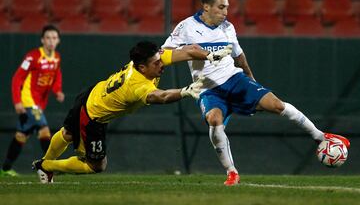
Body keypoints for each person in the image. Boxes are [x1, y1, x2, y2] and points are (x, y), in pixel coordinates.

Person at [162, 0, 351, 186]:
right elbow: (165, 53)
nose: (225, 12)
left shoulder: (228, 27)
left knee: (277, 105)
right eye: (221, 7)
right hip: (208, 89)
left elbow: (239, 55)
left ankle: (320, 136)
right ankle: (232, 172)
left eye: (227, 7)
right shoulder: (186, 27)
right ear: (206, 6)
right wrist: (189, 51)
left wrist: (250, 77)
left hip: (235, 80)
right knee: (214, 120)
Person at [31, 40, 232, 183]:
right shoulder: (137, 85)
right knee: (96, 166)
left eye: (160, 59)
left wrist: (210, 56)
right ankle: (47, 167)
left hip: (92, 92)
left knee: (67, 133)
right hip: (92, 116)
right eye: (156, 63)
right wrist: (185, 91)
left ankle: (43, 165)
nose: (161, 64)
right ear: (143, 67)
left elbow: (188, 51)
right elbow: (160, 97)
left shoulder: (148, 62)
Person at [0, 25, 65, 177]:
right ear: (42, 40)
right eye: (48, 38)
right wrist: (17, 101)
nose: (51, 41)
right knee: (44, 131)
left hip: (39, 104)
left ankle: (5, 168)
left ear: (58, 41)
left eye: (54, 38)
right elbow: (17, 78)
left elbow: (56, 75)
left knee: (21, 136)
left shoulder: (56, 57)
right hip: (29, 101)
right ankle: (51, 166)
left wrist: (57, 91)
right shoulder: (33, 56)